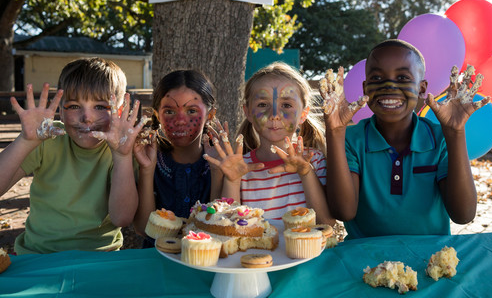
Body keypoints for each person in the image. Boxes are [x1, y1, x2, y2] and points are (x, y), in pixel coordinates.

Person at [321, 39, 490, 239]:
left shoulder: (440, 138)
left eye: (402, 77)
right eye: (377, 77)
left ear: (421, 88)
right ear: (366, 88)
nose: (389, 86)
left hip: (430, 260)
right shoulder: (350, 139)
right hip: (364, 260)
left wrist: (455, 133)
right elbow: (344, 212)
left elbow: (464, 215)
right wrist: (335, 132)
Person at [0, 57, 145, 254]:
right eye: (75, 106)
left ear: (120, 111)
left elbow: (122, 218)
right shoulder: (47, 140)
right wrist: (25, 141)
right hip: (38, 256)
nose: (87, 118)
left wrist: (122, 157)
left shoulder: (123, 149)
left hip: (100, 257)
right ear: (60, 109)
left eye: (101, 107)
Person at [204, 62, 334, 225]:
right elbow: (228, 227)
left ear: (303, 114)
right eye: (262, 105)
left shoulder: (314, 160)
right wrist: (232, 180)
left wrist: (306, 172)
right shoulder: (240, 167)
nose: (274, 115)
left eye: (286, 105)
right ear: (248, 112)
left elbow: (326, 224)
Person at [133, 70, 223, 248]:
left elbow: (218, 228)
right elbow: (144, 229)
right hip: (157, 264)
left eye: (191, 111)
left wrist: (217, 171)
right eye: (170, 111)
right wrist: (147, 170)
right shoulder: (149, 159)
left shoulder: (221, 161)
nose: (181, 120)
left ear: (210, 115)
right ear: (157, 115)